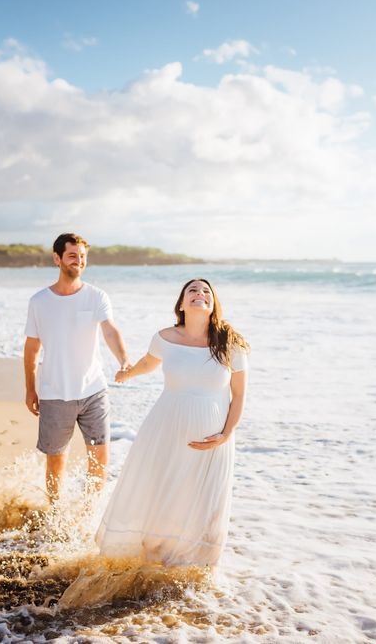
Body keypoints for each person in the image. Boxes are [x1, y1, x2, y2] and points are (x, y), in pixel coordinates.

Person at [95, 278, 249, 567]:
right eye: (192, 290)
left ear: (213, 304)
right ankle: (153, 558)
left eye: (206, 291)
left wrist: (226, 434)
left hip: (213, 439)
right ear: (181, 303)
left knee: (205, 503)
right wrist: (127, 373)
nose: (199, 294)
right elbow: (147, 363)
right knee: (160, 490)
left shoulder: (230, 344)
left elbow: (239, 395)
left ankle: (195, 570)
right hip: (166, 429)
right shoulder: (165, 338)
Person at [24, 232, 129, 502]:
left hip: (94, 390)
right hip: (54, 393)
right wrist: (30, 389)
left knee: (100, 456)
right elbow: (32, 349)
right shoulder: (39, 301)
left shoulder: (96, 297)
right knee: (57, 460)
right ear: (57, 259)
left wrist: (124, 360)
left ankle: (89, 514)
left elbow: (110, 331)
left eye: (82, 257)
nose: (78, 261)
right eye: (72, 255)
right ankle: (55, 512)